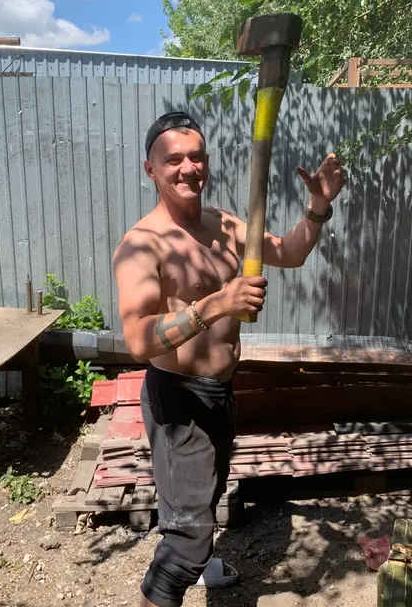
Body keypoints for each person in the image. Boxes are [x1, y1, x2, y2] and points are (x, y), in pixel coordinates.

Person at [113, 111, 345, 607]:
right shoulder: (141, 245)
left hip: (220, 392)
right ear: (150, 170)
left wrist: (318, 208)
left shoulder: (223, 224)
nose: (188, 168)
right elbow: (137, 340)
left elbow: (290, 253)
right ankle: (178, 577)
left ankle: (206, 565)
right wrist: (216, 303)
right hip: (178, 401)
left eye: (196, 157)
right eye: (173, 160)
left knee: (208, 497)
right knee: (184, 542)